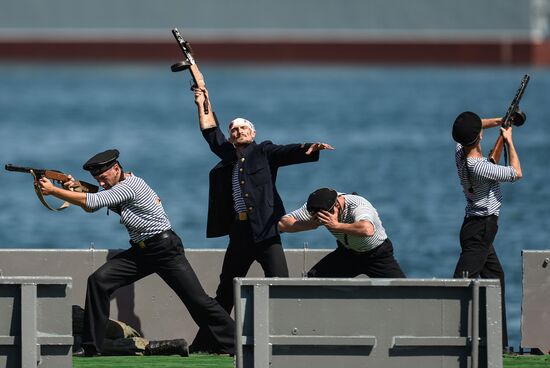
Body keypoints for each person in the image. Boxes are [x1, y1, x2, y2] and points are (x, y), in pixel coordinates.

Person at [38, 149, 235, 357]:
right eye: (98, 180)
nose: (102, 183)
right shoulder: (121, 185)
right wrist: (75, 187)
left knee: (198, 301)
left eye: (103, 178)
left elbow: (92, 202)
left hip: (164, 249)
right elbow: (96, 200)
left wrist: (54, 191)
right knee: (98, 281)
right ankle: (90, 347)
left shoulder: (130, 186)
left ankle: (233, 344)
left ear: (116, 169)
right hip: (142, 251)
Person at [190, 87, 333, 351]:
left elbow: (286, 152)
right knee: (225, 291)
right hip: (240, 233)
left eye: (243, 128)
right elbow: (211, 132)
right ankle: (206, 344)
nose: (238, 131)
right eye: (234, 129)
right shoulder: (229, 155)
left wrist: (308, 148)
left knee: (280, 284)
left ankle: (289, 342)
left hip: (266, 232)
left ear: (253, 133)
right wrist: (201, 102)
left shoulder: (264, 152)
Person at [451, 111, 523, 351]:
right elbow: (516, 173)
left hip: (475, 226)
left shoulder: (460, 152)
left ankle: (499, 344)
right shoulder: (480, 167)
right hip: (481, 229)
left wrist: (501, 121)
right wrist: (509, 140)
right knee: (460, 283)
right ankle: (452, 339)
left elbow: (471, 127)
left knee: (495, 278)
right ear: (480, 136)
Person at [278, 187, 406, 278]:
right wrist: (310, 225)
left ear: (337, 205)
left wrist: (336, 225)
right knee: (314, 279)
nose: (322, 217)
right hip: (347, 254)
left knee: (402, 291)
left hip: (377, 255)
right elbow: (282, 223)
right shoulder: (317, 205)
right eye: (317, 215)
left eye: (325, 215)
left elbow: (367, 229)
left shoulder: (358, 205)